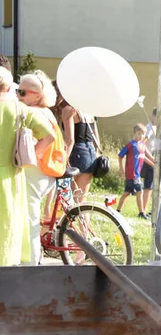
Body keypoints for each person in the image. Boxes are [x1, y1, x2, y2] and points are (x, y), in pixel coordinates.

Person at [0, 66, 55, 266]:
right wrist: (28, 157)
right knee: (10, 224)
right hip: (13, 174)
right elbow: (50, 136)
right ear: (8, 88)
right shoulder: (21, 110)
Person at [17, 71, 66, 265]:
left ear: (37, 95)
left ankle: (31, 262)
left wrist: (32, 157)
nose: (18, 95)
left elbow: (48, 139)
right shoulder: (47, 112)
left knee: (30, 219)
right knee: (32, 217)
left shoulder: (34, 112)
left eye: (22, 92)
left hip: (36, 173)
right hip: (48, 173)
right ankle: (33, 258)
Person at [58, 86, 100, 199]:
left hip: (77, 152)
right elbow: (96, 139)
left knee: (69, 198)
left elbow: (70, 140)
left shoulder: (68, 110)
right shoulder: (89, 112)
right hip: (91, 153)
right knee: (81, 199)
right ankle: (85, 217)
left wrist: (64, 159)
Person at [116, 124, 150, 218]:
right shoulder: (131, 145)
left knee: (126, 193)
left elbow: (144, 157)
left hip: (137, 173)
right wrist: (121, 168)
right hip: (132, 174)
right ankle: (141, 213)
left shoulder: (142, 145)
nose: (141, 136)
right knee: (140, 191)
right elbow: (120, 155)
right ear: (134, 133)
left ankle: (118, 211)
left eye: (143, 134)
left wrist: (153, 163)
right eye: (139, 134)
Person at [140, 108, 157, 215]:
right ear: (153, 116)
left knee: (152, 187)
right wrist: (151, 159)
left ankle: (151, 210)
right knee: (148, 187)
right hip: (148, 160)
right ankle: (143, 211)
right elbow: (142, 144)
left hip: (153, 159)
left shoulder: (156, 128)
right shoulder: (149, 128)